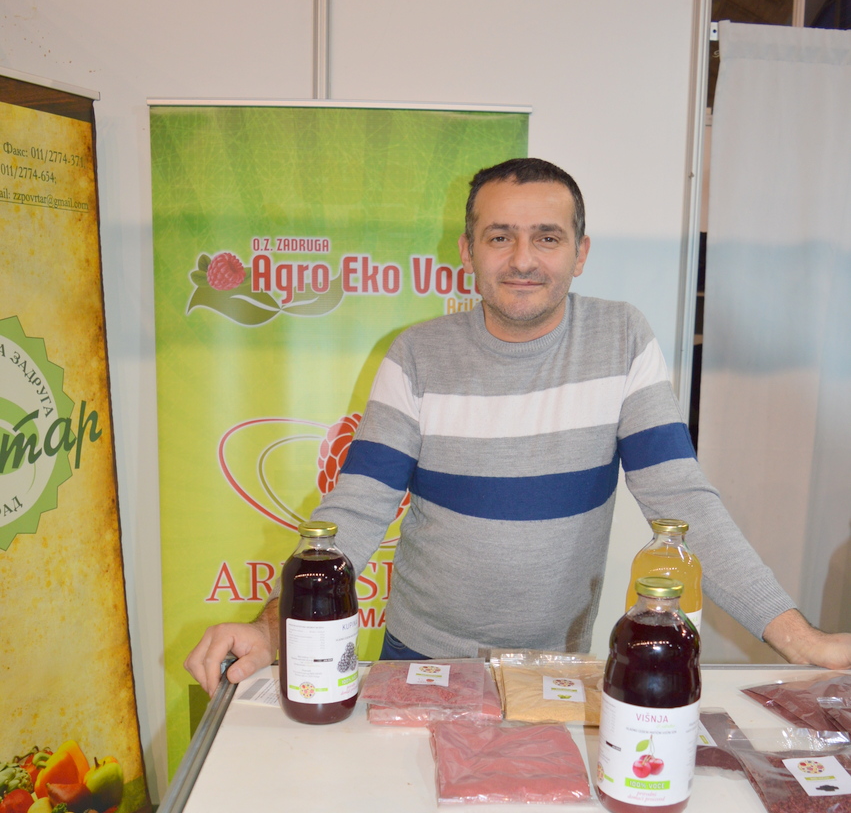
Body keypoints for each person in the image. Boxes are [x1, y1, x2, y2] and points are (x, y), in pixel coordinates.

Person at [186, 158, 851, 693]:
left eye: (547, 237)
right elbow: (356, 510)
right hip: (420, 661)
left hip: (554, 669)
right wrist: (271, 629)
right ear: (467, 251)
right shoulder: (416, 355)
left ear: (580, 252)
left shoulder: (621, 338)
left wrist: (802, 641)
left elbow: (682, 505)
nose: (523, 259)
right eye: (500, 236)